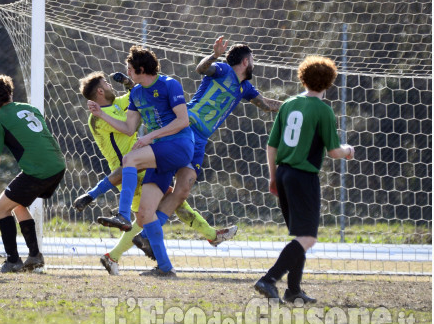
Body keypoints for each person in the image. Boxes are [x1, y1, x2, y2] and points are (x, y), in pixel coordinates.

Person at [78, 71, 233, 275]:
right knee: (151, 215)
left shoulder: (114, 105)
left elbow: (133, 98)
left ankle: (120, 257)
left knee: (166, 206)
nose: (110, 85)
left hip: (141, 163)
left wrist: (128, 83)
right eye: (106, 83)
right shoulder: (97, 119)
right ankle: (120, 255)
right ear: (100, 90)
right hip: (128, 171)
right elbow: (129, 127)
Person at [254, 55, 355, 304]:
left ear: (302, 78)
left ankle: (293, 290)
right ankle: (269, 279)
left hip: (284, 173)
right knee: (307, 238)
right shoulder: (323, 110)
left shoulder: (288, 104)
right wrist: (348, 150)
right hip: (303, 176)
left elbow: (272, 145)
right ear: (329, 82)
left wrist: (273, 176)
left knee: (299, 235)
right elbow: (333, 151)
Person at [88, 45, 194, 278]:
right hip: (158, 152)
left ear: (141, 69)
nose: (127, 73)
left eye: (130, 69)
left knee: (129, 159)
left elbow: (183, 120)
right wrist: (101, 114)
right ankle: (165, 268)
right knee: (146, 213)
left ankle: (122, 215)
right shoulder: (136, 94)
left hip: (179, 145)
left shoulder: (169, 84)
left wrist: (150, 136)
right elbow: (128, 129)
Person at [0, 74, 66, 273]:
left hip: (38, 170)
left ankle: (12, 261)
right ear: (10, 91)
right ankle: (34, 256)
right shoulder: (30, 108)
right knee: (18, 205)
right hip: (58, 164)